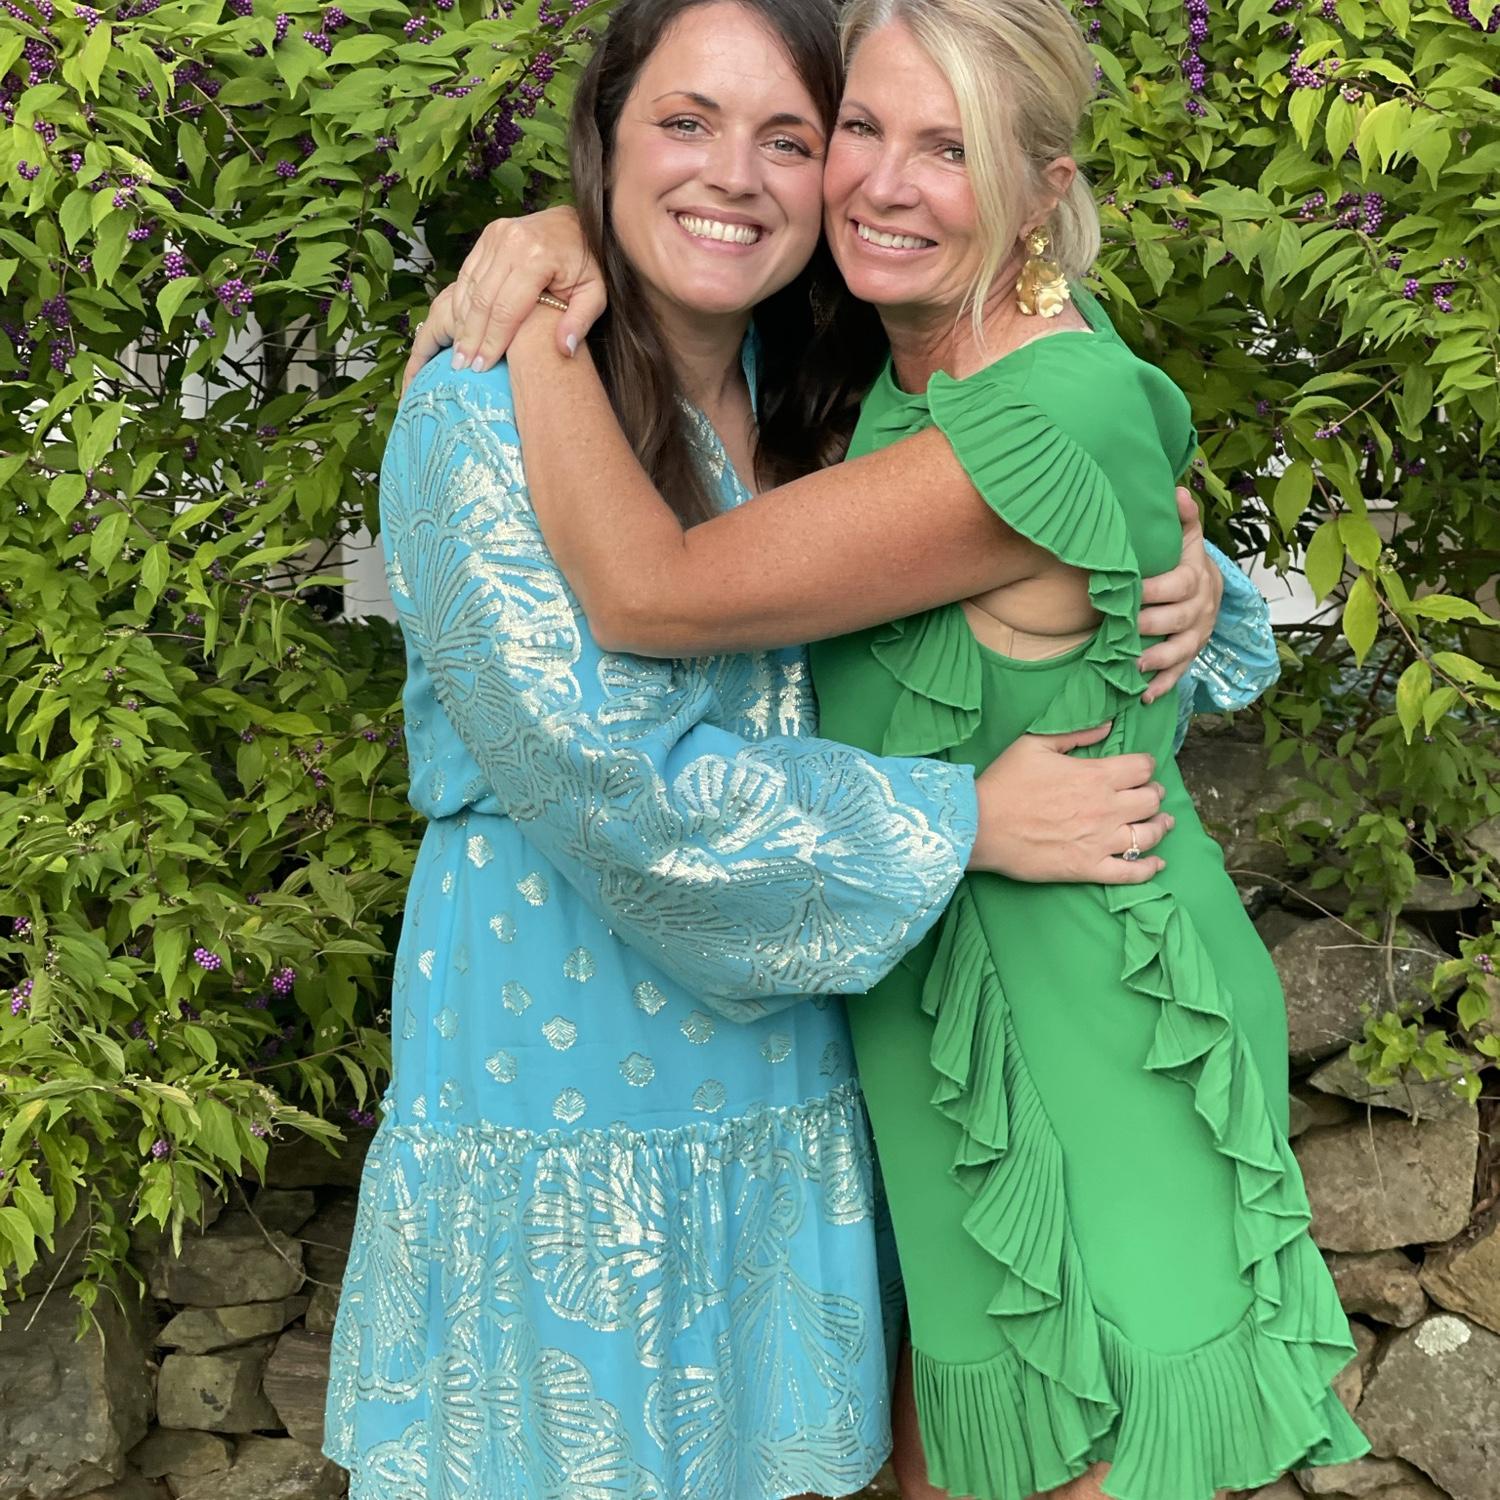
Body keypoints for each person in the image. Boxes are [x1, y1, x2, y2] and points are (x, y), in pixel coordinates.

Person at [410, 2, 1370, 1498]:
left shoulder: (975, 391)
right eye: (858, 129)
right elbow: (620, 770)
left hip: (1071, 1026)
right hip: (822, 1046)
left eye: (951, 146)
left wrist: (537, 317)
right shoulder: (862, 368)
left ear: (1041, 190)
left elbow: (662, 592)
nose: (879, 181)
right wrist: (559, 236)